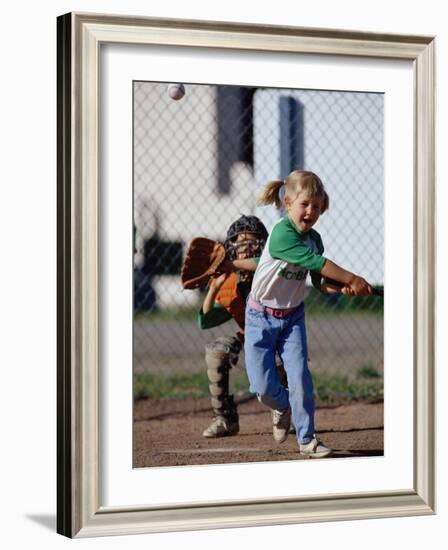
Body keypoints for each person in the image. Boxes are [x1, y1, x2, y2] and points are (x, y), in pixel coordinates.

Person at [244, 170, 373, 458]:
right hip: (259, 317)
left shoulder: (315, 238)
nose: (310, 211)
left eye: (316, 206)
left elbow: (319, 280)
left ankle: (307, 439)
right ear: (287, 203)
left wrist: (340, 288)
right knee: (262, 387)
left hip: (291, 318)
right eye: (304, 204)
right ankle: (281, 406)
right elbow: (317, 262)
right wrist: (351, 277)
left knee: (300, 375)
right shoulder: (281, 235)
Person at [198, 215, 289, 438]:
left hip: (277, 335)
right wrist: (214, 286)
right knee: (217, 352)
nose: (247, 248)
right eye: (241, 244)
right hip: (249, 334)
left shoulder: (271, 271)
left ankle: (285, 411)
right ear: (232, 249)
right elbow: (205, 320)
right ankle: (225, 418)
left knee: (278, 360)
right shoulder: (229, 279)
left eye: (253, 243)